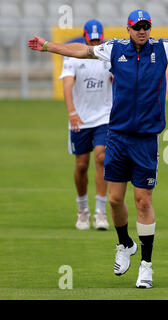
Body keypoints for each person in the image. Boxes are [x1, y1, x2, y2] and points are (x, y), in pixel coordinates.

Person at [28, 9, 168, 289]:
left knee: (143, 201)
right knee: (113, 200)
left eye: (146, 26)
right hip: (118, 136)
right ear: (128, 29)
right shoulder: (114, 49)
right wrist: (49, 46)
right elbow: (81, 51)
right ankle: (124, 243)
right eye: (137, 27)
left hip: (146, 139)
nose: (142, 30)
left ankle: (146, 266)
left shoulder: (163, 48)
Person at [59, 19, 112, 231]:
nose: (95, 43)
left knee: (102, 157)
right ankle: (82, 211)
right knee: (81, 165)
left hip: (104, 118)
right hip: (80, 118)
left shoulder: (107, 57)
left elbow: (116, 81)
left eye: (98, 39)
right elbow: (67, 85)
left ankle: (100, 212)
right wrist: (72, 112)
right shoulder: (72, 56)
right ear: (84, 37)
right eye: (92, 40)